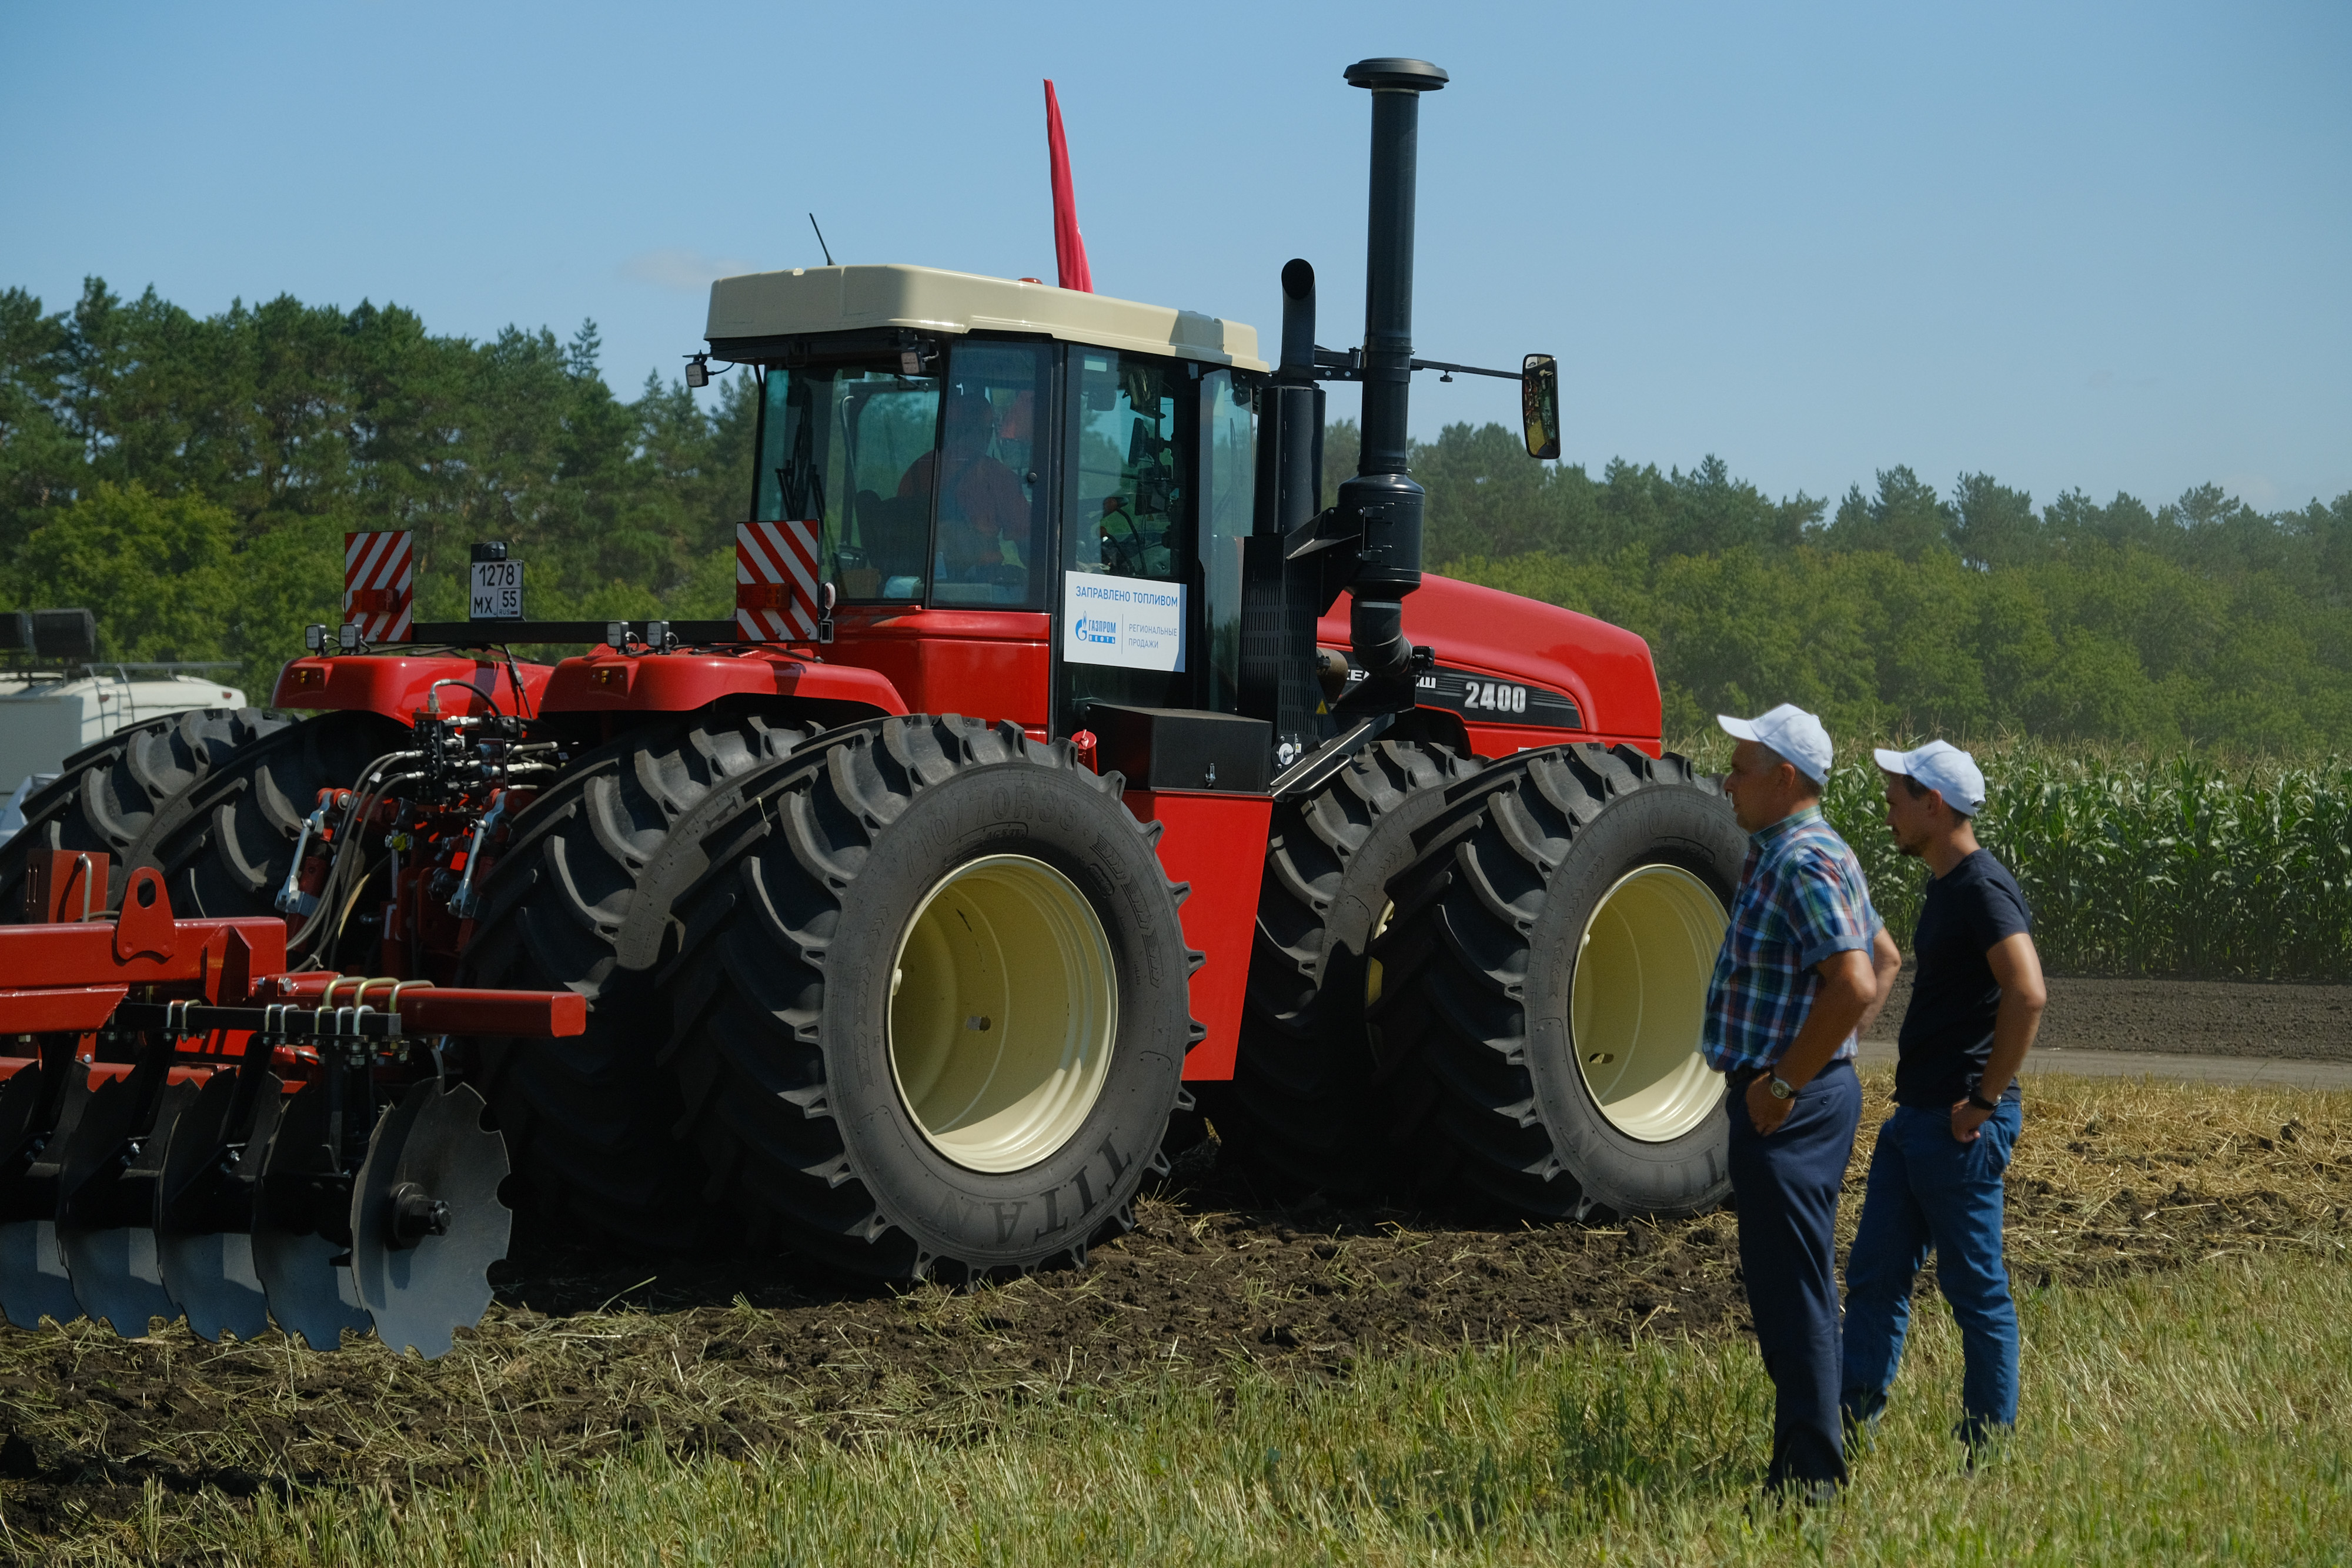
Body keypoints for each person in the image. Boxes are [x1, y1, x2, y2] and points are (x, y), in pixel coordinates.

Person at [1705, 703, 1903, 1500]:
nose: (1728, 780)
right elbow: (1884, 955)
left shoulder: (1802, 860)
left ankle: (1810, 1480)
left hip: (1789, 1102)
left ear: (1785, 777)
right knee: (1792, 1282)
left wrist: (1789, 1080)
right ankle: (1817, 1440)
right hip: (1800, 1093)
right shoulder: (1796, 849)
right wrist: (1833, 1055)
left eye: (1742, 767)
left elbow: (1855, 979)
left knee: (1794, 1290)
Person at [1841, 740, 2046, 1460]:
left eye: (1897, 798)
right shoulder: (1947, 887)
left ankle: (1985, 1452)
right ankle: (1847, 1434)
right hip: (1916, 1122)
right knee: (1873, 1278)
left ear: (1933, 804)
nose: (1888, 811)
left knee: (1975, 1293)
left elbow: (2027, 992)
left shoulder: (1981, 890)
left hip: (1957, 1125)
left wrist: (1983, 1101)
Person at [899, 389, 1030, 583]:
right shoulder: (995, 475)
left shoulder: (917, 471)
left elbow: (903, 534)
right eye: (989, 430)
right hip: (981, 585)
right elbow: (1030, 548)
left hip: (923, 581)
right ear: (985, 431)